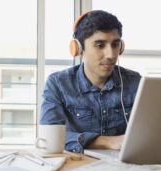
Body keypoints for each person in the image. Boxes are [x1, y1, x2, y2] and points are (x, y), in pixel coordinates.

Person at [40, 10, 141, 153]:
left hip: (126, 166)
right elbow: (49, 138)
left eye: (115, 44)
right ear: (79, 48)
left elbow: (151, 133)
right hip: (77, 165)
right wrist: (109, 142)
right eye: (100, 45)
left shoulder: (135, 82)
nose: (111, 55)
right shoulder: (58, 83)